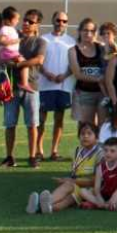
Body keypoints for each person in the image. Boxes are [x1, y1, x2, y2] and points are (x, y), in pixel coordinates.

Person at [0, 9, 46, 168]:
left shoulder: (40, 42)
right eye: (25, 20)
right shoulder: (14, 36)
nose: (26, 23)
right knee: (9, 124)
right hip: (11, 87)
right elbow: (3, 52)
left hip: (31, 87)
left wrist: (19, 64)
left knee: (32, 124)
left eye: (31, 22)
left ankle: (32, 156)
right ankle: (9, 157)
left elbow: (39, 60)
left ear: (37, 25)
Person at [27, 123, 101, 214]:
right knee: (67, 195)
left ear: (97, 138)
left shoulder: (100, 154)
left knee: (69, 191)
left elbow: (94, 182)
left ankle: (40, 204)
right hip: (77, 187)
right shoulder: (77, 151)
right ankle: (45, 207)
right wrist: (66, 180)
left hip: (90, 191)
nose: (85, 136)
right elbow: (74, 174)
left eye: (89, 133)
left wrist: (70, 181)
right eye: (82, 134)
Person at [36, 10, 75, 161]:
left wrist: (64, 76)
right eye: (58, 20)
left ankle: (54, 151)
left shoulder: (71, 41)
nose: (61, 23)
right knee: (41, 119)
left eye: (64, 21)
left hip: (63, 86)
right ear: (53, 20)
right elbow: (37, 61)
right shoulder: (43, 39)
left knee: (59, 119)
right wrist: (47, 74)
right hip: (44, 85)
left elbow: (74, 64)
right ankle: (38, 150)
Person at [69, 18, 106, 127]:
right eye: (85, 30)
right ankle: (82, 145)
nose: (88, 33)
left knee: (103, 126)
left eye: (92, 31)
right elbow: (78, 74)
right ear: (79, 31)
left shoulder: (102, 48)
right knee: (86, 127)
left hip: (102, 93)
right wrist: (99, 78)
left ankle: (101, 145)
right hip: (84, 93)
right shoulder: (73, 51)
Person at [79, 136, 117, 211]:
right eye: (106, 150)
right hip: (104, 195)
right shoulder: (100, 167)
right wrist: (99, 197)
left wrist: (115, 195)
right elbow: (97, 188)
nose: (108, 153)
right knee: (82, 191)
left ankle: (99, 204)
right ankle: (105, 205)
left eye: (112, 151)